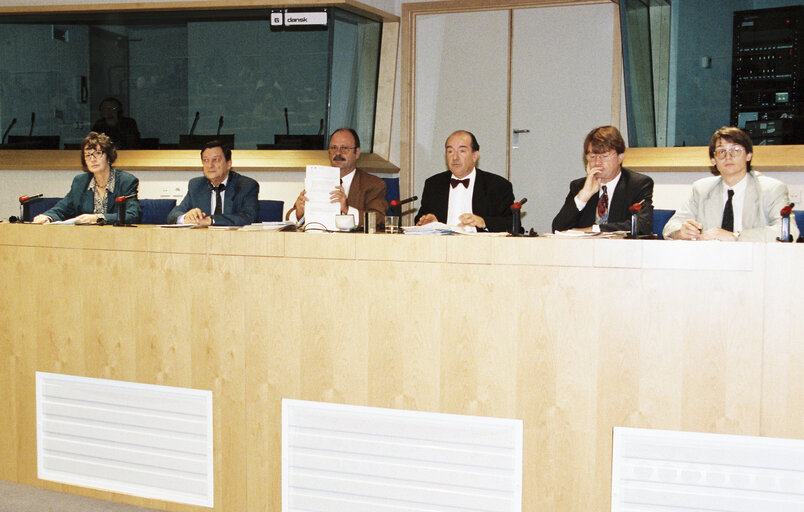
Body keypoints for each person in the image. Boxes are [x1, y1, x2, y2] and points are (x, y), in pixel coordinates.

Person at [663, 126, 797, 242]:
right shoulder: (702, 189)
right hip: (711, 261)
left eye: (736, 150)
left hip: (756, 262)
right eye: (721, 152)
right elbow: (671, 226)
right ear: (713, 160)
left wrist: (735, 236)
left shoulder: (771, 189)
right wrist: (681, 232)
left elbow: (788, 232)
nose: (728, 156)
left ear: (749, 155)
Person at [552, 125, 653, 234]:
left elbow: (641, 225)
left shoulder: (637, 184)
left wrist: (595, 229)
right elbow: (558, 229)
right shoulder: (579, 186)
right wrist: (583, 197)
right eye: (592, 157)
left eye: (604, 156)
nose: (597, 162)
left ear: (620, 157)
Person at [415, 130, 514, 232]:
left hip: (481, 245)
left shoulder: (497, 185)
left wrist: (484, 222)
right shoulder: (433, 184)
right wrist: (427, 222)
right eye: (450, 151)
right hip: (442, 245)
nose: (455, 157)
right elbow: (419, 219)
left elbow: (513, 224)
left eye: (462, 151)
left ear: (475, 156)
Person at [32, 131, 141, 224]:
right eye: (88, 155)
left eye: (98, 153)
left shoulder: (126, 181)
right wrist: (47, 217)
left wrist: (98, 218)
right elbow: (63, 208)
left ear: (109, 156)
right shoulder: (80, 182)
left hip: (117, 239)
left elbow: (132, 214)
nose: (92, 159)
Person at [291, 128, 388, 227]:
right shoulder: (318, 180)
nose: (338, 153)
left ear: (357, 153)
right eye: (334, 148)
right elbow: (289, 218)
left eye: (344, 148)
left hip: (354, 241)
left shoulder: (373, 184)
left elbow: (378, 218)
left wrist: (347, 210)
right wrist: (299, 213)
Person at [167, 140, 259, 226]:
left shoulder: (246, 185)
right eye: (206, 160)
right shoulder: (196, 186)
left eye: (216, 160)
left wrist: (211, 220)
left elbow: (249, 217)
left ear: (228, 164)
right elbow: (173, 215)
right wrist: (186, 217)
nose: (210, 165)